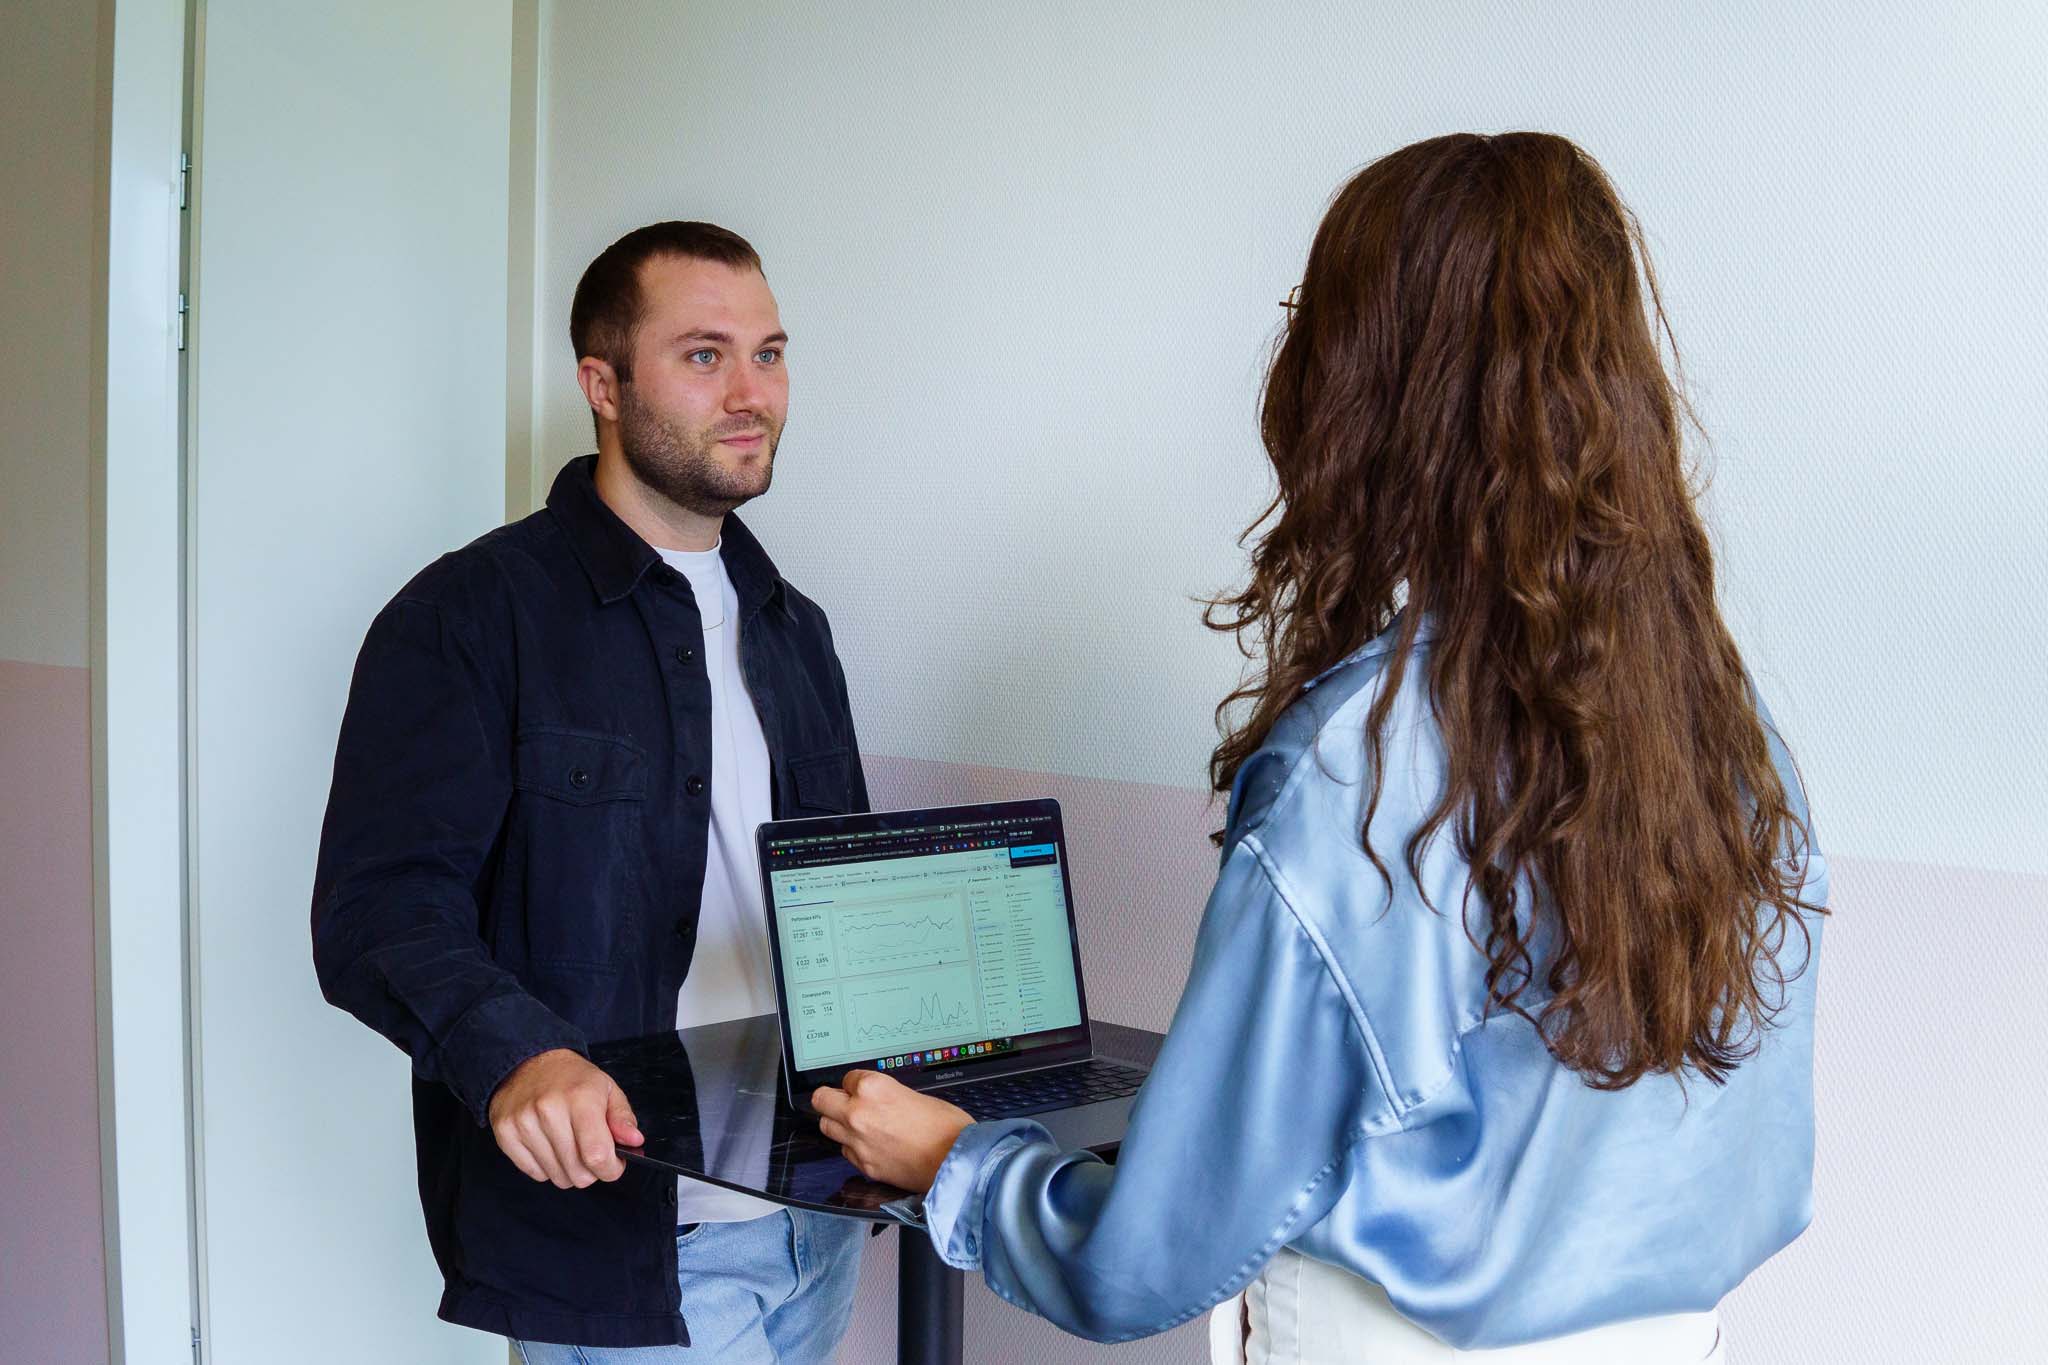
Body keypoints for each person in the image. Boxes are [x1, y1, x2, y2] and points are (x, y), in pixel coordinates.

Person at [814, 133, 1828, 1363]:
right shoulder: (1727, 729)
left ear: (1372, 376)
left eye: (1312, 316)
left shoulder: (1354, 765)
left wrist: (957, 1163)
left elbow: (1152, 1256)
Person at [312, 221, 869, 1360]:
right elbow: (378, 910)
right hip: (630, 1243)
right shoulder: (467, 616)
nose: (751, 392)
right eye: (704, 355)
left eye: (769, 353)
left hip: (819, 1216)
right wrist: (517, 1050)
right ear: (600, 383)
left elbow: (833, 896)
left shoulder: (793, 627)